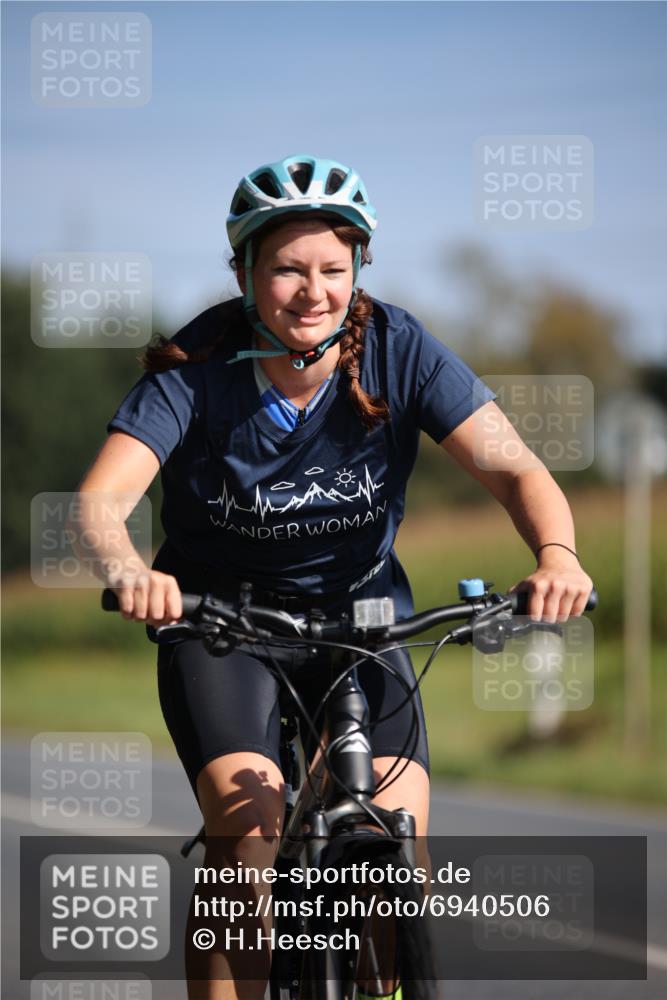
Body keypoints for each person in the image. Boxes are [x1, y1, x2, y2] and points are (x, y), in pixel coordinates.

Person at [75, 154, 593, 999]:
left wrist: (557, 556)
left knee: (402, 844)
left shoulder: (397, 347)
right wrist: (132, 571)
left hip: (365, 618)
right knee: (245, 836)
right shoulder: (196, 365)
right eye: (286, 268)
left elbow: (517, 474)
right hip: (223, 626)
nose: (312, 290)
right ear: (244, 271)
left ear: (358, 271)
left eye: (333, 268)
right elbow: (101, 502)